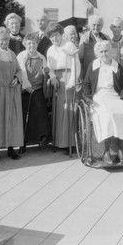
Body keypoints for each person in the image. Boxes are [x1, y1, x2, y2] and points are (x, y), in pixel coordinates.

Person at [83, 40, 123, 164]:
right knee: (108, 115)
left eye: (106, 51)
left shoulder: (117, 66)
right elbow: (86, 84)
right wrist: (89, 98)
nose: (104, 54)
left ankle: (121, 150)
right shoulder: (93, 65)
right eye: (101, 51)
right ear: (97, 53)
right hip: (99, 96)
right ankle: (107, 152)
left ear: (110, 52)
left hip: (114, 95)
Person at [0, 27, 24, 162]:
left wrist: (17, 78)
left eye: (7, 39)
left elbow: (19, 70)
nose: (4, 42)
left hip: (11, 92)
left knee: (11, 120)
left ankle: (11, 148)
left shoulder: (12, 54)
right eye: (2, 40)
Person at [46, 23, 81, 154]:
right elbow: (49, 67)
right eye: (51, 37)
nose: (54, 39)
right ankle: (58, 142)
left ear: (61, 34)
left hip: (68, 78)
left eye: (56, 35)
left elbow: (76, 64)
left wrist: (72, 82)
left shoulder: (69, 46)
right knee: (59, 111)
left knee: (68, 111)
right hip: (57, 82)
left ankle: (69, 143)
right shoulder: (50, 50)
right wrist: (53, 77)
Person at [17, 33, 52, 149]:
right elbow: (20, 72)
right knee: (24, 113)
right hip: (25, 89)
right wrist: (27, 86)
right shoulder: (21, 56)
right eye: (29, 43)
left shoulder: (41, 57)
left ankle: (42, 137)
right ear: (25, 44)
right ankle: (23, 141)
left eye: (33, 43)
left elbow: (47, 71)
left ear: (37, 44)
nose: (31, 45)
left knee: (40, 112)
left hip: (37, 89)